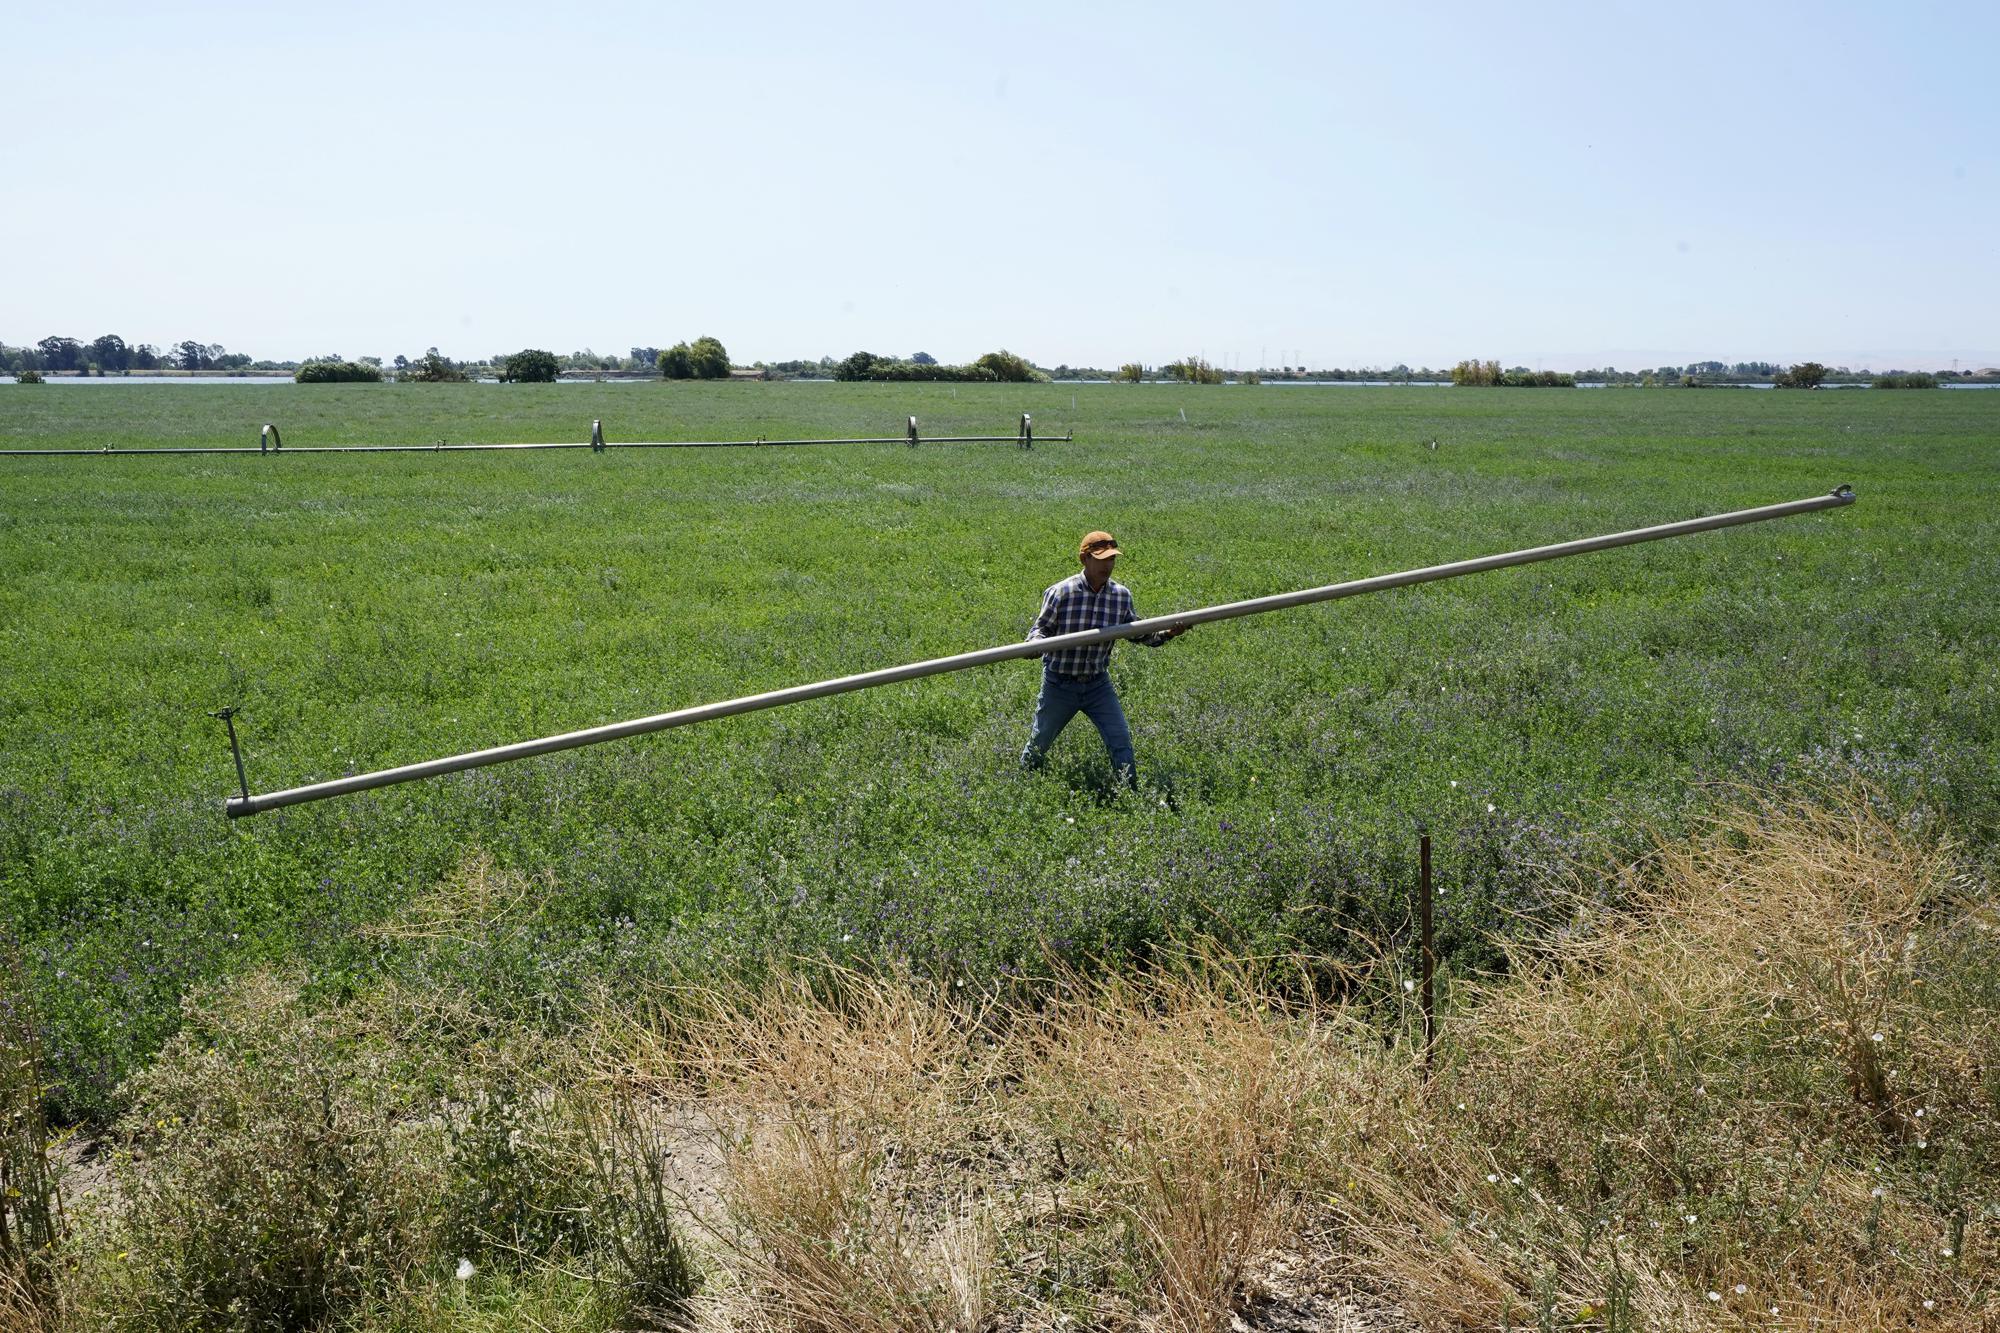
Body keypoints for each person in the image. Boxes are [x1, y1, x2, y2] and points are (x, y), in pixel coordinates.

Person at [1020, 530, 1189, 785]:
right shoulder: (1061, 592)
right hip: (1060, 683)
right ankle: (1023, 783)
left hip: (1098, 684)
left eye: (1111, 559)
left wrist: (1167, 633)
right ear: (1085, 559)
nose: (1107, 565)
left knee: (1120, 740)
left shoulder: (1120, 596)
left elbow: (1137, 632)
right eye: (1101, 559)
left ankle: (1130, 794)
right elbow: (1041, 629)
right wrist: (1035, 645)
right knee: (1040, 741)